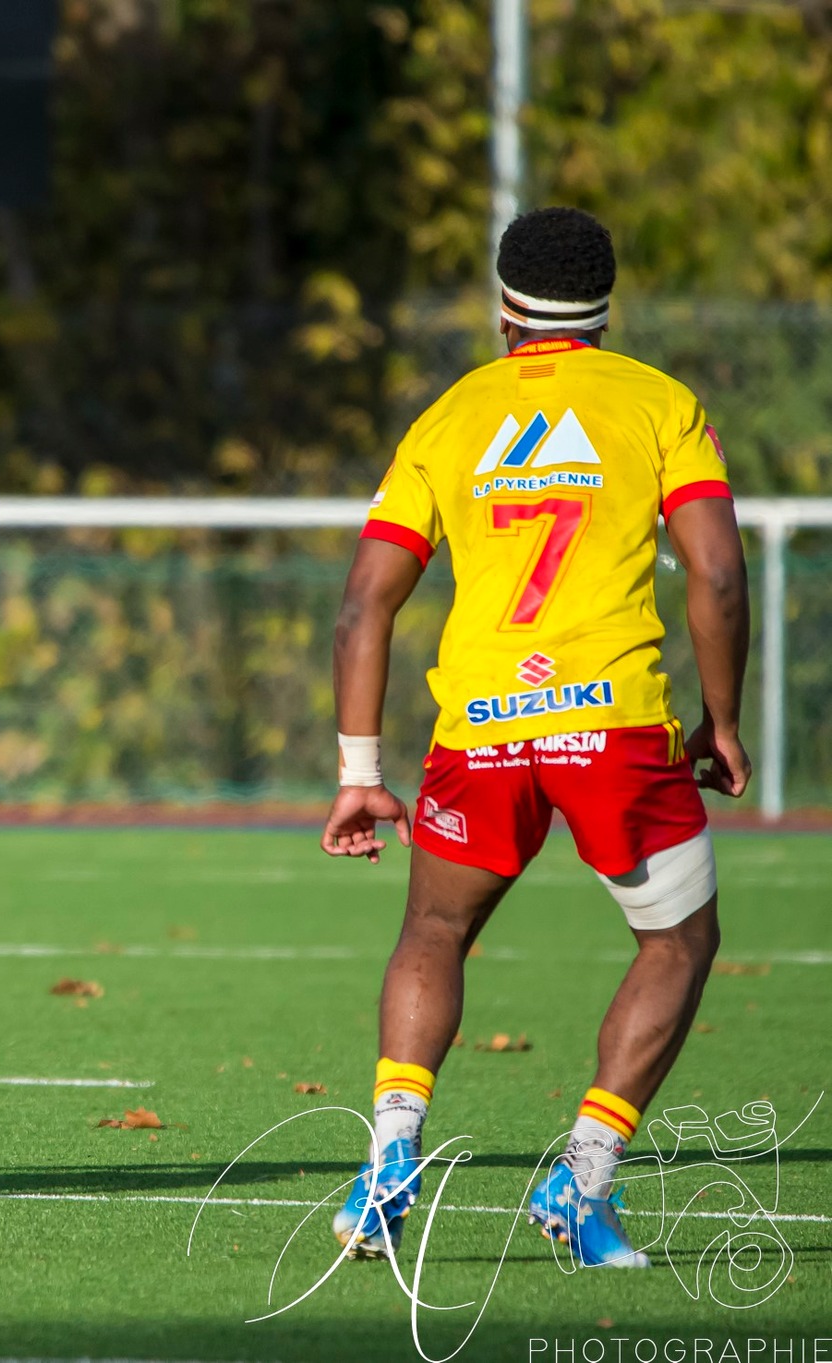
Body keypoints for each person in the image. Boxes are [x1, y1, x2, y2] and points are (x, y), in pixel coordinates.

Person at [320, 207, 749, 1269]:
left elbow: (361, 604)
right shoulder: (656, 404)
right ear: (603, 301)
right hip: (609, 726)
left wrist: (357, 773)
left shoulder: (450, 415)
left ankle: (387, 1164)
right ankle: (583, 1176)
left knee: (431, 931)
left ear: (502, 300)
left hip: (479, 725)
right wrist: (721, 720)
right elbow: (719, 574)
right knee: (677, 942)